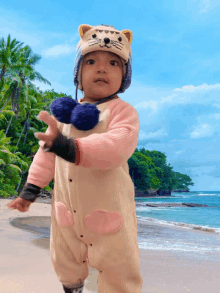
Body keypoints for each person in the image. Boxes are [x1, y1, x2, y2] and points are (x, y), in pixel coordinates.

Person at [7, 23, 143, 293]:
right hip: (66, 210)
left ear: (124, 78)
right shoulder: (63, 117)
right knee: (65, 256)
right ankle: (72, 287)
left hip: (110, 210)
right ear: (78, 76)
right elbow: (45, 156)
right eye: (91, 61)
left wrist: (70, 148)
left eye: (114, 63)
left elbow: (116, 146)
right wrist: (30, 191)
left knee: (118, 263)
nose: (102, 68)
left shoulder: (122, 112)